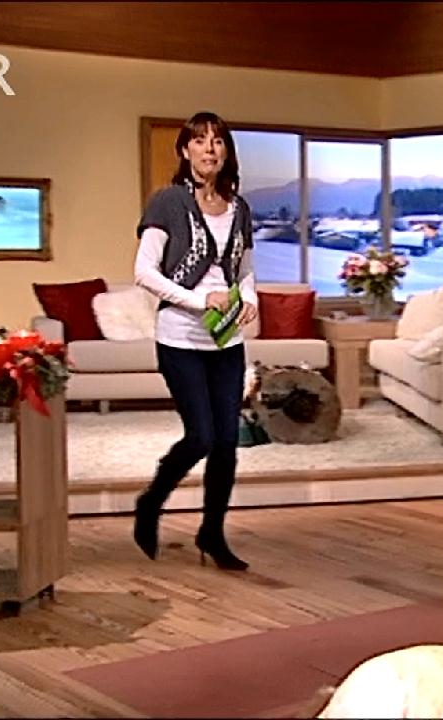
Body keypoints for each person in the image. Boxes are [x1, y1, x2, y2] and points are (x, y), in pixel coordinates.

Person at [131, 111, 259, 571]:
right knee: (201, 436)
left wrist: (249, 299)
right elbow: (144, 272)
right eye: (200, 141)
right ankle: (151, 502)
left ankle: (213, 533)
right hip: (180, 338)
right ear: (185, 150)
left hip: (226, 342)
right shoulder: (168, 202)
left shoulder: (239, 208)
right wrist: (198, 300)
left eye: (218, 141)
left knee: (226, 443)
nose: (210, 149)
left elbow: (245, 271)